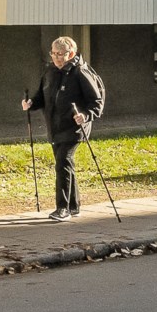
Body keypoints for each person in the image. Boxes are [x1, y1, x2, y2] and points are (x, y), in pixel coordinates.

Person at [20, 34, 107, 219]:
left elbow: (96, 102)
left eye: (61, 54)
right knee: (66, 165)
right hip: (55, 126)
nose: (57, 57)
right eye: (54, 53)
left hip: (74, 127)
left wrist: (85, 115)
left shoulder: (80, 72)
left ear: (71, 53)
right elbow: (41, 97)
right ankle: (73, 206)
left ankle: (63, 208)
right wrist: (30, 104)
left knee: (62, 164)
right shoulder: (50, 72)